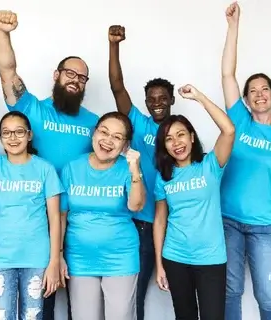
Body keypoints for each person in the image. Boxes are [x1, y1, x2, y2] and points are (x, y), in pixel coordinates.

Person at [0, 10, 99, 319]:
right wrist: (3, 33)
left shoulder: (95, 123)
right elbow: (8, 72)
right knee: (38, 299)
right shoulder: (33, 109)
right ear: (56, 75)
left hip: (78, 219)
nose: (76, 81)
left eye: (82, 78)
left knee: (78, 298)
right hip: (34, 221)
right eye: (70, 73)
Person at [220, 3, 271, 319]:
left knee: (268, 295)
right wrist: (233, 27)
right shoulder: (239, 120)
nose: (258, 94)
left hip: (264, 226)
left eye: (264, 89)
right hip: (228, 220)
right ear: (246, 99)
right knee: (231, 292)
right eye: (252, 91)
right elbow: (227, 73)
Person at [0, 111, 62, 320]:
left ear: (29, 135)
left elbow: (55, 219)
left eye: (19, 132)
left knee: (32, 316)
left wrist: (54, 262)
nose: (13, 138)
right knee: (0, 316)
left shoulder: (45, 169)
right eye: (6, 133)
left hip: (37, 258)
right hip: (1, 258)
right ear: (0, 137)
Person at [108, 25, 175, 319]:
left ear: (172, 99)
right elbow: (117, 86)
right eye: (152, 99)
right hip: (129, 219)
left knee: (139, 293)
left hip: (156, 224)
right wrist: (113, 45)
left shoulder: (179, 134)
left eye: (162, 98)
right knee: (126, 292)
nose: (157, 103)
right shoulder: (140, 123)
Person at [153, 84, 235, 320]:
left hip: (210, 258)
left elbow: (228, 130)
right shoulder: (164, 177)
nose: (176, 142)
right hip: (175, 256)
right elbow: (160, 221)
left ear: (191, 137)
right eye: (169, 139)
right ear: (164, 146)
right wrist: (159, 264)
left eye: (180, 135)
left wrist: (199, 97)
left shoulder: (210, 166)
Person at [59, 111, 145, 320]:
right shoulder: (72, 167)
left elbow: (136, 205)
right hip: (79, 258)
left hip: (120, 258)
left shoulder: (127, 168)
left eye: (117, 137)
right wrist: (59, 254)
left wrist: (135, 170)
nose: (108, 140)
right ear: (93, 134)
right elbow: (61, 215)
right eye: (104, 132)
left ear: (125, 145)